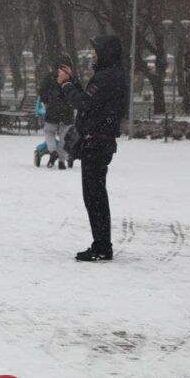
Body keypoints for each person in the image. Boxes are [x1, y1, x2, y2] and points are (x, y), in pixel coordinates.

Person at [57, 35, 128, 262]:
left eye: (96, 51)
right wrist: (74, 82)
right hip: (100, 141)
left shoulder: (107, 77)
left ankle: (101, 246)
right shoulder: (111, 75)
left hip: (97, 142)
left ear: (105, 53)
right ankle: (101, 244)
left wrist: (66, 85)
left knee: (94, 197)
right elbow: (90, 99)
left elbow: (84, 103)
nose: (92, 55)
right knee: (96, 195)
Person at [39, 55, 80, 169]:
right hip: (67, 111)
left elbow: (42, 92)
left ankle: (53, 152)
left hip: (52, 110)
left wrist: (46, 100)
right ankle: (62, 162)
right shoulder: (73, 77)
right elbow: (80, 92)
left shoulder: (50, 77)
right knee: (64, 137)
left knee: (49, 132)